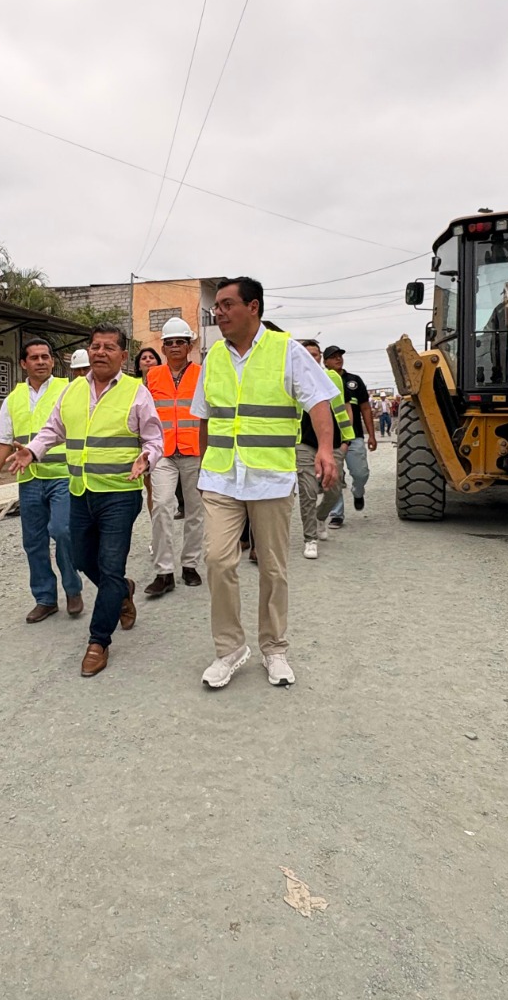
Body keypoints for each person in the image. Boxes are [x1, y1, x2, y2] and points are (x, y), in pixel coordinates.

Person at [193, 279, 338, 691]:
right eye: (216, 306)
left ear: (252, 307)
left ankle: (274, 647)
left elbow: (318, 401)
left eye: (226, 304)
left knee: (273, 567)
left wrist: (325, 449)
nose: (217, 312)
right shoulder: (214, 357)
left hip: (270, 477)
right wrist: (205, 467)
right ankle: (230, 649)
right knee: (219, 560)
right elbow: (205, 416)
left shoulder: (286, 350)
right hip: (222, 476)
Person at [7, 324, 163, 678]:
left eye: (109, 347)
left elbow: (155, 439)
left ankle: (98, 641)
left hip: (119, 494)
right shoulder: (73, 390)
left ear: (124, 356)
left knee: (108, 566)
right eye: (95, 346)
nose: (100, 352)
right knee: (79, 558)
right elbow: (52, 430)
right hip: (79, 491)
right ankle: (122, 591)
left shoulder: (137, 393)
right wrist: (33, 450)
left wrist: (147, 459)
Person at [0, 336, 83, 623]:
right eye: (35, 357)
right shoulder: (14, 398)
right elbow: (3, 439)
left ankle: (73, 589)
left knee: (63, 531)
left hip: (63, 475)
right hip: (29, 479)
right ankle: (45, 598)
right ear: (23, 363)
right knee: (33, 541)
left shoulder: (68, 390)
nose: (41, 362)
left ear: (52, 361)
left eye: (46, 357)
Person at [142, 316, 205, 597]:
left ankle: (190, 564)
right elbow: (144, 415)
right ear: (163, 348)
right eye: (170, 342)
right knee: (162, 505)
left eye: (181, 341)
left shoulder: (203, 374)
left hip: (195, 451)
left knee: (195, 511)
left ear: (190, 345)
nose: (176, 346)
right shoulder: (152, 376)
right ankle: (164, 571)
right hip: (163, 452)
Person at [294, 338, 354, 560]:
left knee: (334, 489)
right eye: (307, 354)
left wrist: (347, 439)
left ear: (320, 358)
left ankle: (321, 517)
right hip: (303, 443)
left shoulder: (332, 378)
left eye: (316, 355)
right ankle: (310, 538)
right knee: (308, 491)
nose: (312, 358)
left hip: (332, 443)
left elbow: (341, 409)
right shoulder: (293, 380)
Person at [323, 346, 376, 528]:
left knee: (361, 473)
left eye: (340, 356)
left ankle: (358, 491)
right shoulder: (321, 380)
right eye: (334, 357)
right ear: (325, 362)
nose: (338, 359)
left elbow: (365, 408)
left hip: (354, 437)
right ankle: (336, 514)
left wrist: (372, 435)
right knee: (334, 477)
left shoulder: (354, 381)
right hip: (331, 438)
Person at [133, 346, 163, 514]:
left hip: (158, 440)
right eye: (143, 358)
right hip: (138, 441)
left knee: (156, 489)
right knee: (148, 485)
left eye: (152, 357)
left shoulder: (164, 382)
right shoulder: (133, 387)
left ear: (158, 362)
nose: (148, 360)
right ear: (138, 365)